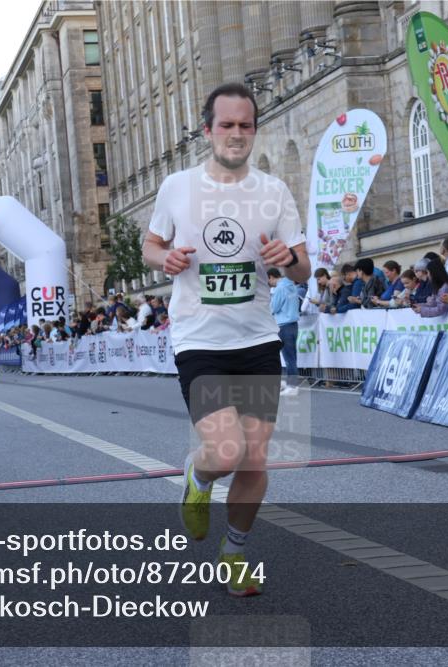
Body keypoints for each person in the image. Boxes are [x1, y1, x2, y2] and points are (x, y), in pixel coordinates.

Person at [141, 82, 310, 597]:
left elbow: (304, 269)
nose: (236, 134)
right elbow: (150, 245)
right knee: (225, 449)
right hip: (199, 341)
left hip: (257, 340)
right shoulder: (177, 187)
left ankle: (233, 553)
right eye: (226, 125)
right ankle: (196, 478)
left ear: (254, 129)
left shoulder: (274, 191)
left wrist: (289, 261)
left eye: (245, 125)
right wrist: (162, 260)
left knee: (255, 459)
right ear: (207, 130)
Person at [268, 268, 300, 396]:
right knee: (291, 356)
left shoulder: (280, 288)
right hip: (293, 323)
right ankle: (291, 383)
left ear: (271, 277)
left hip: (283, 324)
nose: (269, 283)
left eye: (268, 280)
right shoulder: (291, 286)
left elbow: (274, 307)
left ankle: (292, 385)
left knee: (287, 357)